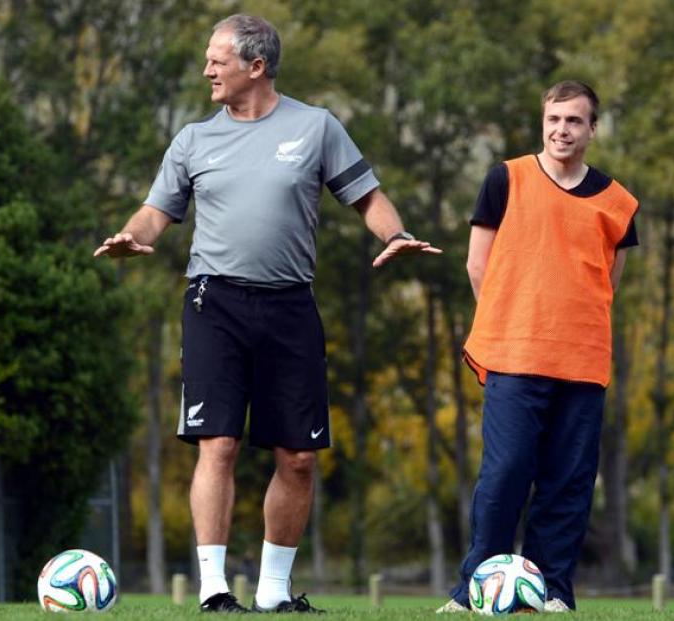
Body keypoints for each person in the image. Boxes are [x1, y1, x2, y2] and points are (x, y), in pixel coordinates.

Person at [94, 14, 440, 614]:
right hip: (214, 303)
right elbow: (156, 212)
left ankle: (276, 593)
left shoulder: (316, 127)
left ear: (256, 67)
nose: (207, 70)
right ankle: (213, 590)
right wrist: (130, 236)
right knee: (218, 443)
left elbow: (367, 197)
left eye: (217, 60)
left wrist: (397, 233)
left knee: (298, 456)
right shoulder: (194, 139)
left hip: (289, 308)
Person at [437, 80, 639, 614]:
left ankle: (555, 593)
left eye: (574, 121)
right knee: (504, 473)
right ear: (543, 122)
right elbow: (477, 265)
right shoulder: (505, 178)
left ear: (592, 128)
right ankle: (471, 591)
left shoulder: (619, 202)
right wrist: (511, 322)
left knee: (568, 483)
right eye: (553, 119)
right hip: (514, 356)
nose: (561, 130)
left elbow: (609, 280)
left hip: (583, 360)